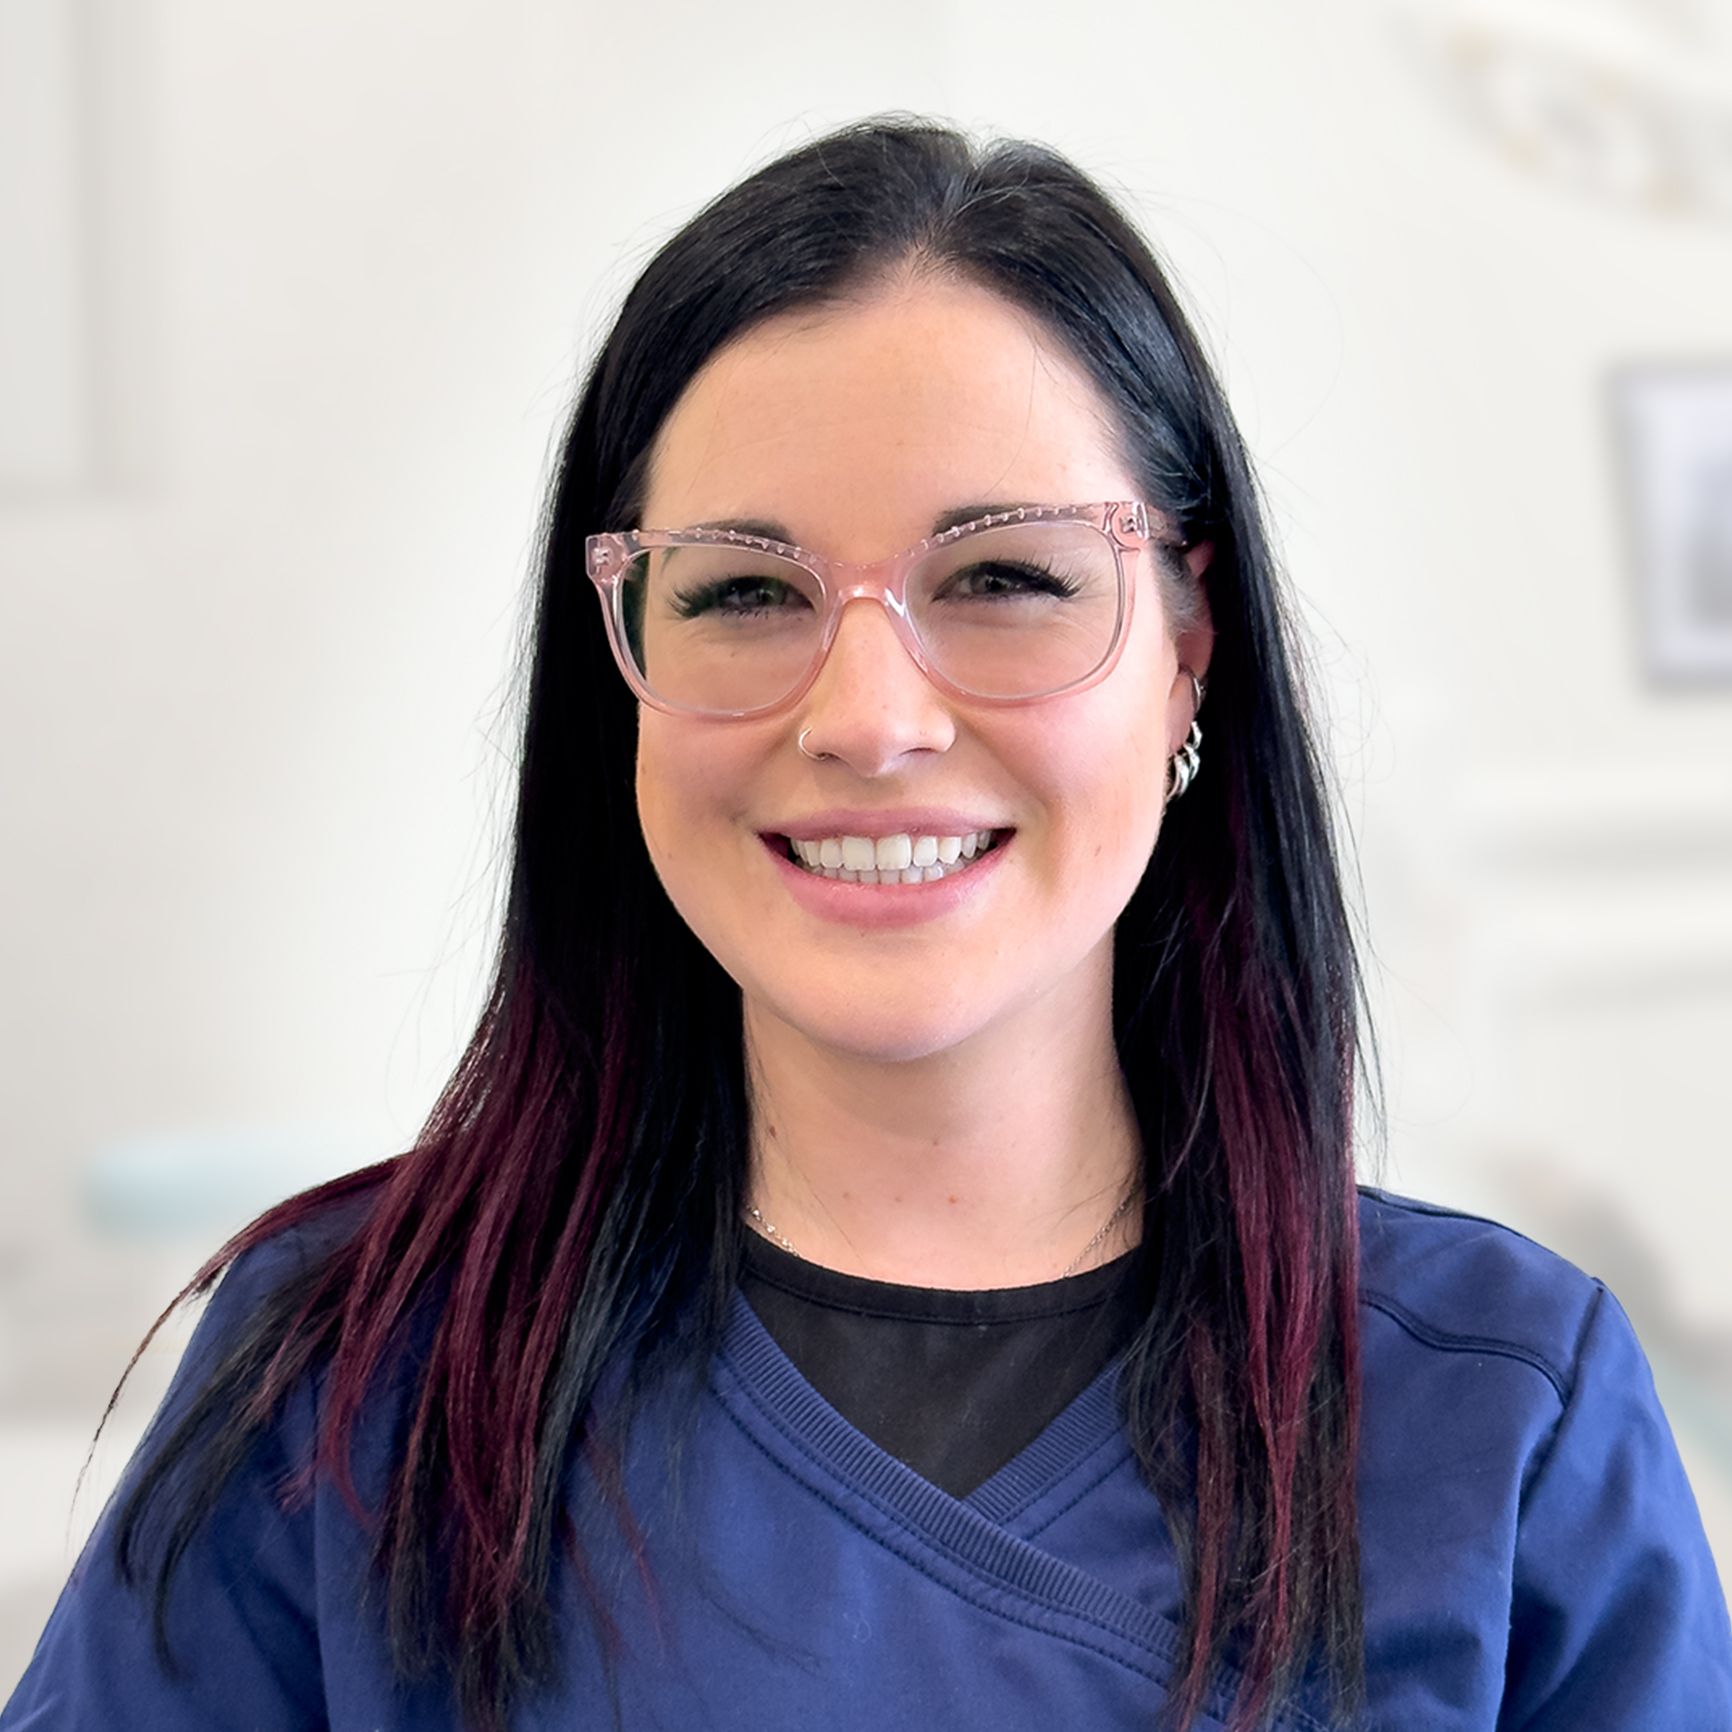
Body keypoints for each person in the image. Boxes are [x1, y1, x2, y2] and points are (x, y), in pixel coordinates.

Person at [4, 115, 1729, 1732]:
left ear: (1191, 639)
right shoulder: (347, 1374)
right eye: (745, 592)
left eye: (1004, 578)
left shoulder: (1503, 1410)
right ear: (622, 671)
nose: (869, 717)